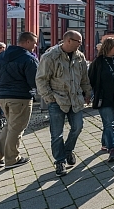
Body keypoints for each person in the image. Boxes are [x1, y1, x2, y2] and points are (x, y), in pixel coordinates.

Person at [36, 30, 92, 177]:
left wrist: (87, 93)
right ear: (68, 41)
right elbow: (41, 79)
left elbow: (84, 78)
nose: (81, 45)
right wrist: (49, 98)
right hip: (57, 100)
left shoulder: (80, 57)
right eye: (78, 42)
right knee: (56, 134)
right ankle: (60, 161)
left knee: (78, 127)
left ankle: (68, 150)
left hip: (75, 99)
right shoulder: (50, 56)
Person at [0, 32, 39, 169]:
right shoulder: (28, 58)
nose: (36, 46)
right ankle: (12, 159)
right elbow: (34, 81)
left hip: (3, 96)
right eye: (34, 43)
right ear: (27, 42)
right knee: (17, 128)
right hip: (20, 97)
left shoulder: (1, 56)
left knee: (10, 126)